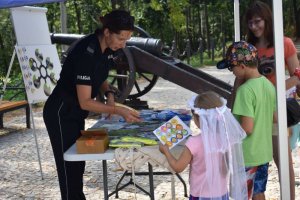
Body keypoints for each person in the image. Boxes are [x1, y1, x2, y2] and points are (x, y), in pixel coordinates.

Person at [43, 10, 141, 200]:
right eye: (121, 38)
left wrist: (109, 93)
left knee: (78, 165)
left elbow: (99, 77)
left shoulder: (105, 49)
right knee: (69, 168)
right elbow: (85, 101)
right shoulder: (85, 52)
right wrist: (118, 110)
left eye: (127, 39)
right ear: (107, 32)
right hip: (61, 112)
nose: (123, 44)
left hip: (76, 113)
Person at [244, 1, 300, 199]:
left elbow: (297, 75)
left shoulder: (283, 42)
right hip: (254, 111)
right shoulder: (248, 48)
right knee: (256, 163)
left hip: (277, 111)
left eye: (257, 21)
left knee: (282, 161)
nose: (254, 27)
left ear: (267, 19)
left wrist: (273, 89)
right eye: (250, 23)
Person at [159, 91, 248, 200]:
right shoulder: (228, 139)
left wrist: (166, 151)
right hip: (221, 194)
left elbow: (178, 167)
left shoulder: (193, 142)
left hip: (199, 195)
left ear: (197, 119)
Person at [217, 41, 277, 200]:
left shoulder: (245, 90)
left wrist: (227, 130)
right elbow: (274, 117)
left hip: (247, 156)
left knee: (243, 195)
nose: (232, 72)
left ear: (242, 66)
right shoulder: (268, 85)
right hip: (263, 153)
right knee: (258, 192)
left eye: (232, 68)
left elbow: (247, 128)